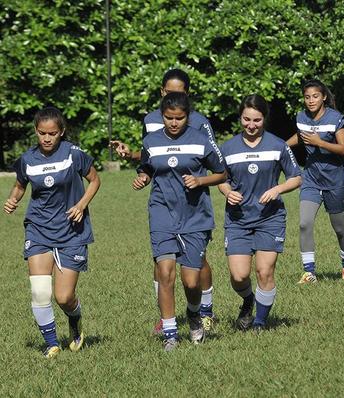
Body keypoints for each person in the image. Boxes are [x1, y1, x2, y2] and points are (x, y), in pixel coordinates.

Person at [110, 69, 217, 334]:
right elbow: (152, 155)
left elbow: (214, 160)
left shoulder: (199, 123)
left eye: (179, 93)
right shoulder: (150, 121)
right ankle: (166, 318)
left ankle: (205, 309)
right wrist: (131, 157)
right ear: (161, 92)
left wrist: (221, 186)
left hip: (191, 203)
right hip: (163, 199)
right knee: (162, 262)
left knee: (197, 263)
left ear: (187, 95)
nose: (173, 97)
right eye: (169, 92)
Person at [4, 107, 101, 357]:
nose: (46, 138)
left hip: (72, 231)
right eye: (41, 133)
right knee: (39, 291)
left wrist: (81, 205)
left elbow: (95, 180)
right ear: (36, 131)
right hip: (38, 229)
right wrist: (13, 200)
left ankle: (75, 320)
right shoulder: (27, 159)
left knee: (63, 296)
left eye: (52, 133)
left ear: (62, 132)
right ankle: (51, 343)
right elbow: (19, 186)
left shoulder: (73, 154)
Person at [133, 92, 226, 350]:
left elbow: (221, 172)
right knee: (165, 272)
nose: (174, 123)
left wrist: (200, 180)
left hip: (195, 215)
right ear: (162, 115)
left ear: (188, 116)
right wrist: (143, 177)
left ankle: (194, 315)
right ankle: (171, 334)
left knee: (191, 281)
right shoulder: (151, 141)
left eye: (179, 118)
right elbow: (146, 167)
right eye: (168, 118)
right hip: (161, 211)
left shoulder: (201, 140)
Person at [218, 94, 301, 331]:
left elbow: (296, 177)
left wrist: (278, 188)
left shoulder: (278, 145)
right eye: (246, 120)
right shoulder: (229, 147)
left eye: (256, 120)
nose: (251, 125)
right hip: (238, 219)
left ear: (264, 119)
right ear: (240, 118)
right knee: (239, 276)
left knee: (264, 271)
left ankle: (260, 322)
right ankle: (248, 300)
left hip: (270, 218)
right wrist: (227, 191)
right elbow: (220, 178)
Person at [285, 79, 344, 283]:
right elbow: (300, 136)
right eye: (307, 97)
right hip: (311, 179)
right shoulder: (301, 117)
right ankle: (309, 272)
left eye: (315, 96)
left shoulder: (335, 119)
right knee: (305, 223)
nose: (311, 100)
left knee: (340, 229)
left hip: (336, 181)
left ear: (323, 97)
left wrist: (319, 142)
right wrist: (280, 147)